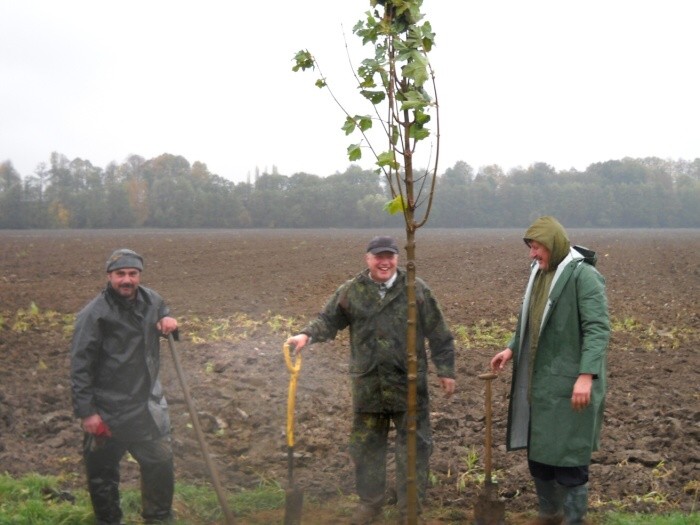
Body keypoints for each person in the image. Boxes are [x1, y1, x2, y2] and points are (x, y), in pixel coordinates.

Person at [286, 235, 456, 525]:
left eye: (389, 256)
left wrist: (446, 370)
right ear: (368, 259)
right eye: (378, 256)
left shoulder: (416, 290)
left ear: (397, 259)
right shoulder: (352, 291)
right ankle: (370, 503)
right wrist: (306, 334)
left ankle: (409, 510)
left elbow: (439, 331)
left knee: (414, 447)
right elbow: (328, 320)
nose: (384, 262)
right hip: (368, 385)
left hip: (409, 386)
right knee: (366, 446)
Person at [490, 216, 610, 525]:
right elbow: (528, 321)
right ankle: (550, 514)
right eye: (530, 248)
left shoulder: (584, 276)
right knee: (539, 457)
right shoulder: (538, 274)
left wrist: (587, 376)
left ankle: (574, 520)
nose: (532, 254)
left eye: (537, 247)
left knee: (569, 460)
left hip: (571, 385)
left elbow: (598, 330)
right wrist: (511, 348)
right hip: (540, 384)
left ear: (554, 244)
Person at [71, 248, 178, 525]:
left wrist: (169, 320)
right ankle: (108, 521)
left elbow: (163, 312)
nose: (127, 280)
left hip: (145, 408)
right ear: (109, 276)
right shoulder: (94, 314)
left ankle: (158, 519)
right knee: (102, 475)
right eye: (120, 274)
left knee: (160, 465)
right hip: (108, 411)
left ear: (139, 275)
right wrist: (88, 413)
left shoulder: (152, 300)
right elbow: (80, 367)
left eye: (132, 274)